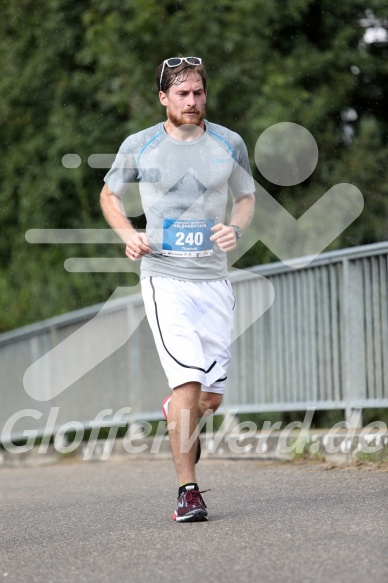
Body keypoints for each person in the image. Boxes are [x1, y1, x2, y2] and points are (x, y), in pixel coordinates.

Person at [100, 56, 255, 522]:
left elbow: (246, 197)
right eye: (182, 94)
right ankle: (188, 490)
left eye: (198, 92)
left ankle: (176, 412)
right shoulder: (140, 145)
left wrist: (236, 229)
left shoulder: (229, 142)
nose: (192, 101)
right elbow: (110, 195)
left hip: (213, 280)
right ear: (164, 98)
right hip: (164, 279)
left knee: (207, 398)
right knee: (188, 380)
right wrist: (130, 234)